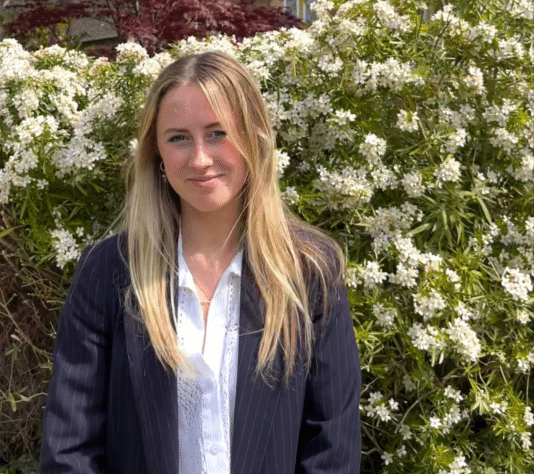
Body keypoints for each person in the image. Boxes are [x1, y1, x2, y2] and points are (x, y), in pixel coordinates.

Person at [39, 51, 361, 474]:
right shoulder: (109, 272)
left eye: (217, 133)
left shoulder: (308, 273)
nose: (200, 159)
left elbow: (332, 452)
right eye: (178, 138)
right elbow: (69, 449)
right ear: (156, 152)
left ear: (255, 139)